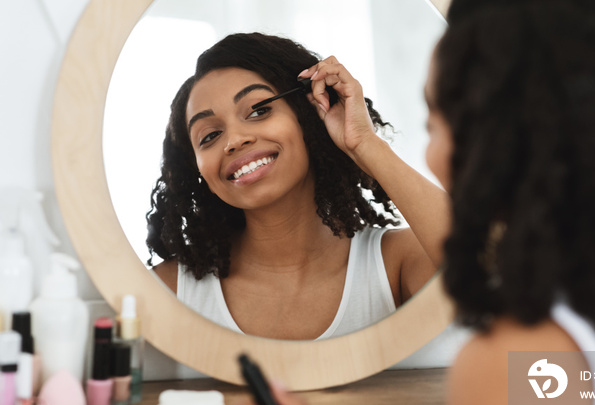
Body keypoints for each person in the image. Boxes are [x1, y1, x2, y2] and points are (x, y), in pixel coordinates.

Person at [214, 0, 595, 405]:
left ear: (516, 135)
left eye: (441, 121)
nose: (432, 155)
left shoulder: (521, 364)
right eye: (209, 135)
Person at [146, 33, 449, 340]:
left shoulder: (396, 261)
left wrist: (365, 145)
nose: (234, 140)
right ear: (197, 170)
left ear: (308, 117)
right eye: (209, 136)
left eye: (259, 110)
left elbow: (489, 267)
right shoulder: (169, 288)